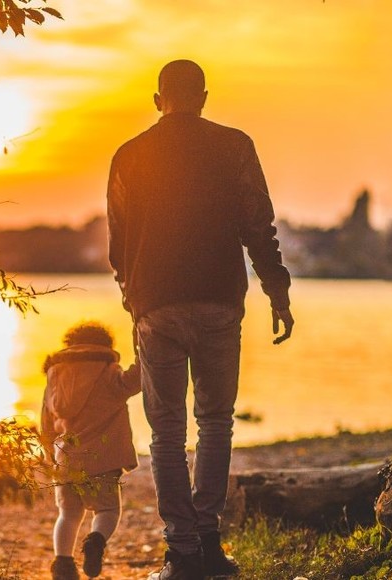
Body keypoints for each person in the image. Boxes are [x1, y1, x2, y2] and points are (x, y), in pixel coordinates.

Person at [107, 59, 295, 580]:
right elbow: (259, 224)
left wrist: (133, 301)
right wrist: (276, 291)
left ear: (157, 98)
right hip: (217, 300)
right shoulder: (234, 146)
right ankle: (208, 543)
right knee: (215, 421)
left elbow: (119, 245)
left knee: (166, 433)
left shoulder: (128, 155)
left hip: (157, 307)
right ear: (204, 97)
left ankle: (183, 553)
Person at [40, 321, 141, 580]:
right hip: (102, 460)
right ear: (105, 347)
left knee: (68, 514)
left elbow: (45, 421)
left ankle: (63, 563)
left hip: (65, 460)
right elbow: (138, 379)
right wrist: (142, 343)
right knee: (107, 511)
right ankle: (95, 541)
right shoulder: (109, 373)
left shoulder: (55, 376)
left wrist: (49, 456)